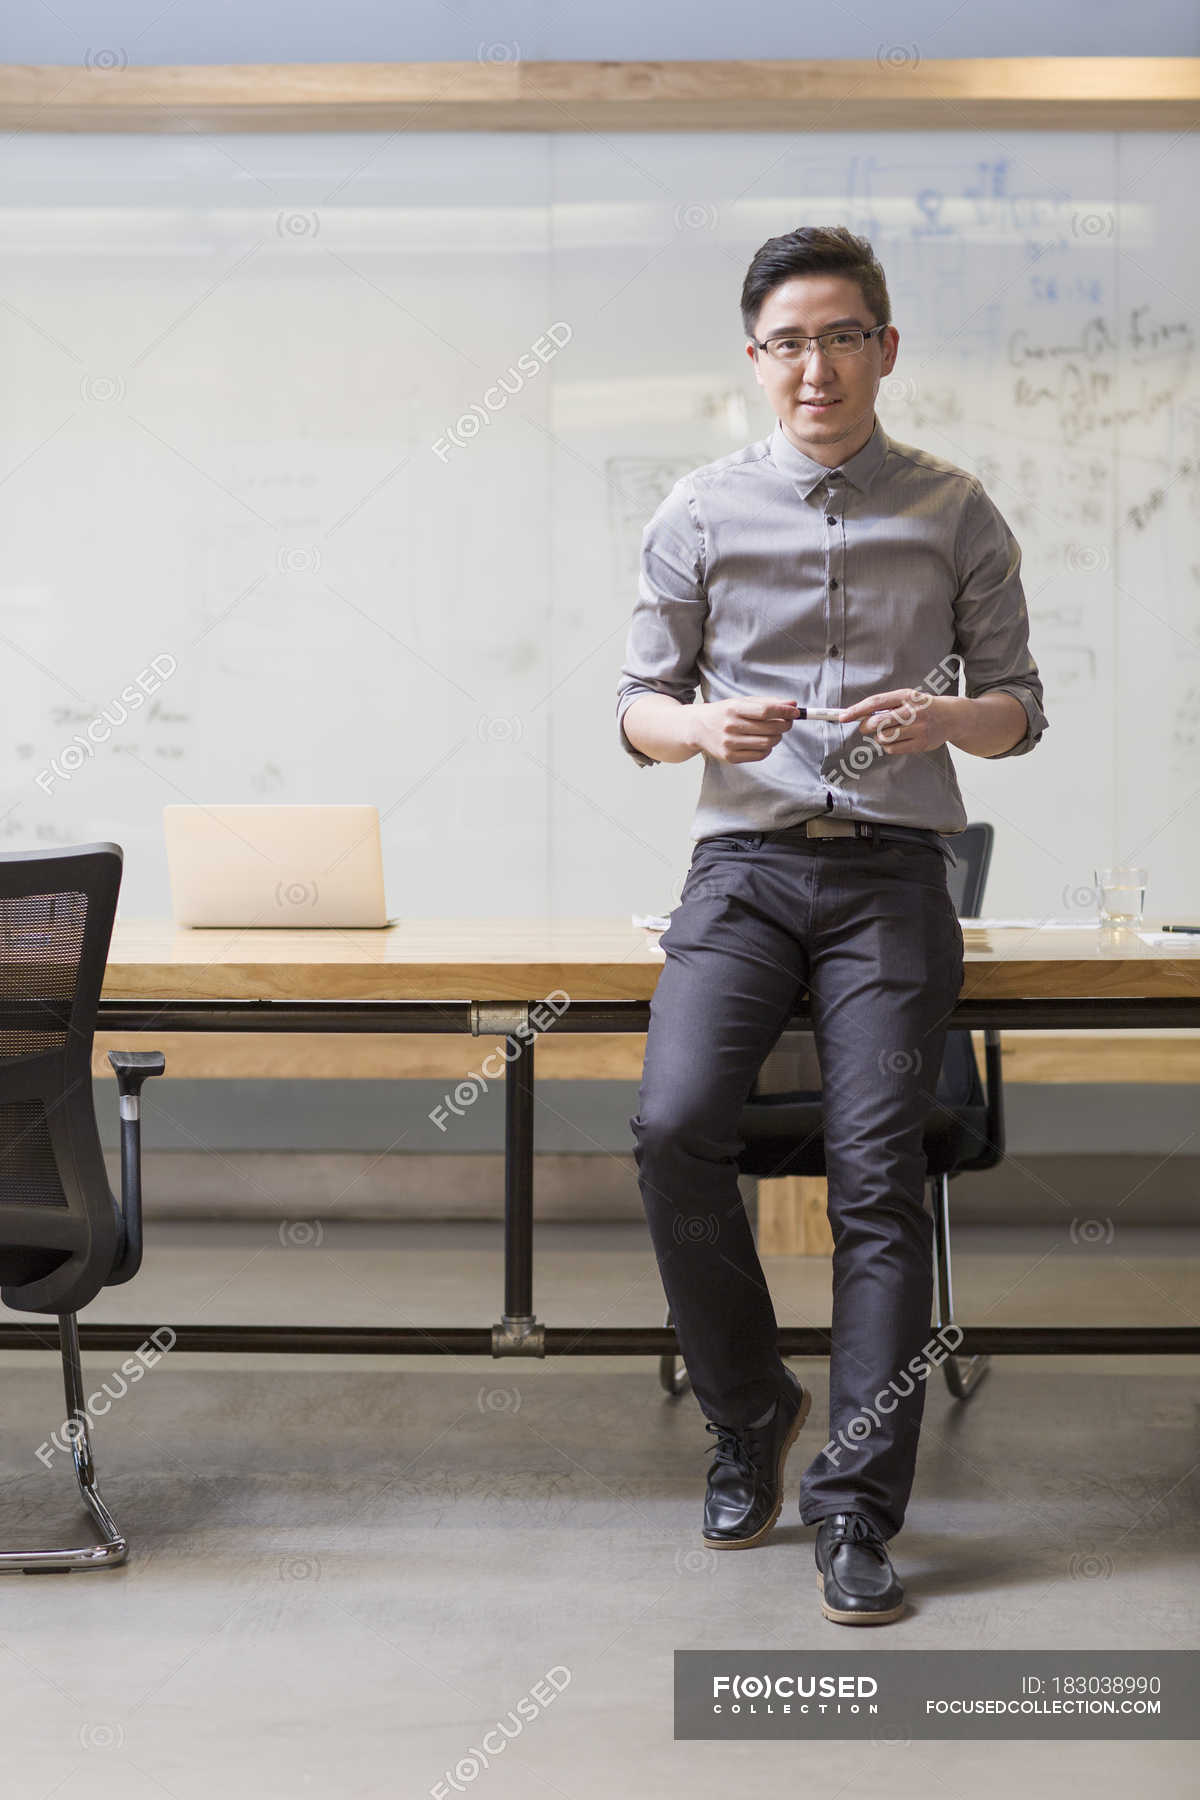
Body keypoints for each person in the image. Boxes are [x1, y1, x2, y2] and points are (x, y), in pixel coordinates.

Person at [615, 224, 1048, 1625]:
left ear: (886, 348)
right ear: (757, 359)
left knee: (878, 1177)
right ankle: (750, 1409)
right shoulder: (696, 508)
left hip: (892, 876)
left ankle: (855, 1516)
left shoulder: (956, 508)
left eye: (842, 334)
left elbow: (1022, 709)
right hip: (741, 866)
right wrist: (697, 724)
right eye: (790, 340)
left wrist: (946, 716)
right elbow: (636, 708)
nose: (817, 363)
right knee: (677, 1127)